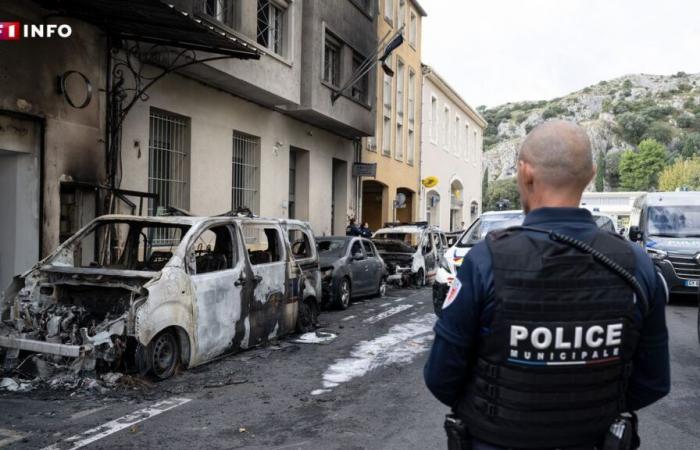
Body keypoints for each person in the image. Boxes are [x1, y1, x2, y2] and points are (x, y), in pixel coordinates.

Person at [424, 121, 670, 450]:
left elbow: (441, 377)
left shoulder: (485, 261)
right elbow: (653, 382)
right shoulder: (635, 264)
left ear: (525, 174)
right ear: (592, 173)